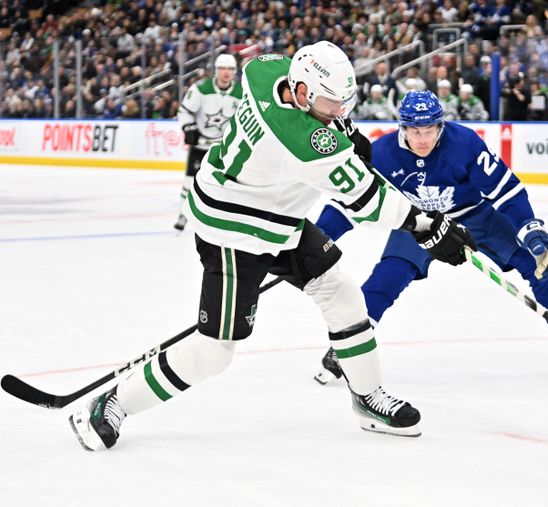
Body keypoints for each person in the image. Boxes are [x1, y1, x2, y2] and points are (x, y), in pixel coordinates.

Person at [68, 43, 477, 451]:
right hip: (234, 230)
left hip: (275, 214)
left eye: (342, 102)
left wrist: (345, 127)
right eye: (329, 103)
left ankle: (367, 397)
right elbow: (369, 200)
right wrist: (428, 225)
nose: (338, 112)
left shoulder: (269, 72)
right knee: (214, 351)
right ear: (301, 93)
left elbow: (273, 69)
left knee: (342, 294)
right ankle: (112, 404)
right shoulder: (301, 140)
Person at [312, 90, 548, 385]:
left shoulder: (465, 144)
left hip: (475, 216)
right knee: (387, 277)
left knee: (541, 263)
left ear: (440, 127)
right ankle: (349, 346)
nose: (422, 139)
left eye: (429, 130)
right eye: (415, 131)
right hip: (419, 223)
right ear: (403, 128)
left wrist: (530, 227)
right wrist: (322, 236)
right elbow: (352, 201)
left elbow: (506, 190)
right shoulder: (382, 153)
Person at [174, 54, 242, 231]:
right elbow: (184, 111)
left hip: (223, 147)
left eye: (230, 69)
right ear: (216, 70)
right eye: (222, 69)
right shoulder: (201, 88)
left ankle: (221, 217)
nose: (226, 73)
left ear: (234, 72)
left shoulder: (241, 93)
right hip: (200, 146)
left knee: (226, 184)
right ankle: (183, 214)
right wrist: (189, 128)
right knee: (190, 181)